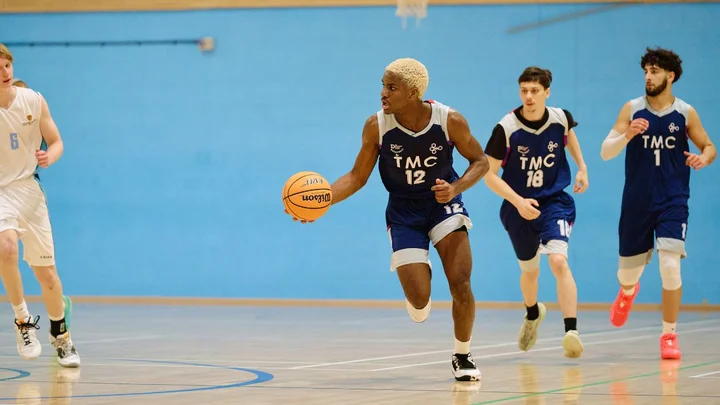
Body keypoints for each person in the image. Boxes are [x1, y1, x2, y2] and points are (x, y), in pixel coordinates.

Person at [286, 58, 489, 381]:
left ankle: (462, 355)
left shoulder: (449, 120)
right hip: (404, 212)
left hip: (443, 206)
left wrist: (456, 188)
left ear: (413, 92)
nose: (383, 93)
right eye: (382, 85)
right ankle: (419, 271)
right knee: (420, 302)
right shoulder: (376, 126)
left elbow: (480, 162)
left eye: (391, 87)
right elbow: (356, 176)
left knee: (461, 282)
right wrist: (321, 200)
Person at [600, 47, 715, 360]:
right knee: (627, 275)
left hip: (673, 201)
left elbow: (708, 145)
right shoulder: (633, 109)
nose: (648, 77)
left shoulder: (685, 112)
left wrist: (703, 157)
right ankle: (627, 292)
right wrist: (627, 136)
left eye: (655, 71)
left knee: (669, 267)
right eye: (646, 71)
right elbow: (605, 152)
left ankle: (668, 335)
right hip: (637, 203)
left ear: (670, 76)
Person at [482, 67, 589, 358]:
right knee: (529, 270)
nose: (528, 97)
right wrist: (518, 201)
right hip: (518, 206)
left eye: (534, 91)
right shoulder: (505, 128)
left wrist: (581, 167)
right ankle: (532, 314)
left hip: (555, 202)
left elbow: (570, 135)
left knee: (558, 261)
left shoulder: (560, 118)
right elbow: (488, 175)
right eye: (524, 91)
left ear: (546, 92)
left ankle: (571, 331)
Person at [0, 43, 80, 367]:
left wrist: (51, 155)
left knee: (47, 276)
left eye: (6, 66)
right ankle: (22, 321)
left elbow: (57, 141)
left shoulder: (33, 99)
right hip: (1, 191)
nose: (3, 72)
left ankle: (61, 335)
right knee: (6, 248)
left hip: (30, 191)